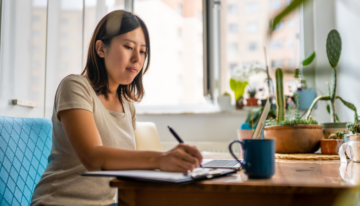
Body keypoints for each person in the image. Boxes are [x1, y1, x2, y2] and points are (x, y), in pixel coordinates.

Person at [31, 10, 202, 206]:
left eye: (143, 51)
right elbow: (93, 158)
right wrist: (161, 158)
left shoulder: (127, 105)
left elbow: (129, 165)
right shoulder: (75, 86)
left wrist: (176, 164)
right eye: (129, 47)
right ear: (101, 49)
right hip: (60, 202)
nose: (138, 58)